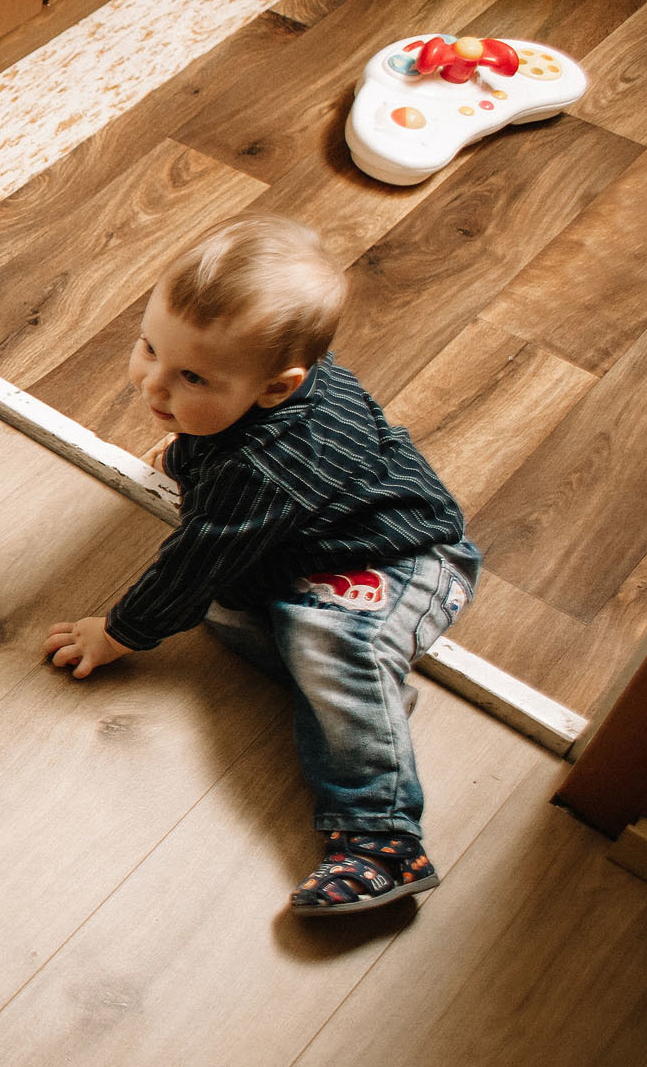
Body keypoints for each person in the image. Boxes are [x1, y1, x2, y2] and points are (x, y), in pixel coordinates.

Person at [43, 215, 477, 917]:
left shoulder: (267, 470)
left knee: (318, 638)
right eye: (149, 347)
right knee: (236, 614)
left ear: (278, 386)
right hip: (313, 549)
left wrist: (118, 633)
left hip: (403, 561)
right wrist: (194, 452)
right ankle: (369, 702)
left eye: (191, 377)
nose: (153, 385)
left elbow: (191, 565)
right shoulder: (268, 402)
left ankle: (380, 842)